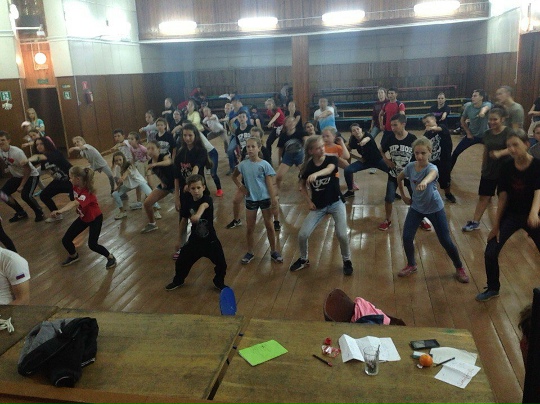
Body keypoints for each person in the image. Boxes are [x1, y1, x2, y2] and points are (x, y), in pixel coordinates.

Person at [476, 130, 540, 302]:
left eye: (515, 145)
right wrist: (496, 225)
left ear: (526, 144)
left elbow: (538, 191)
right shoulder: (506, 167)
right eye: (508, 146)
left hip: (533, 215)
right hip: (511, 215)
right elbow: (503, 196)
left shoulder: (537, 165)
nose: (511, 149)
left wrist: (534, 212)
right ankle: (493, 288)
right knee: (491, 251)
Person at [396, 137, 469, 283]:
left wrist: (424, 181)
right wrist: (403, 195)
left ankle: (459, 267)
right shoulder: (410, 167)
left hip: (434, 208)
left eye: (423, 153)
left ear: (429, 152)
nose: (419, 156)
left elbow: (431, 175)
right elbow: (399, 177)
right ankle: (411, 264)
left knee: (445, 241)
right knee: (407, 237)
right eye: (417, 153)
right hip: (416, 208)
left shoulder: (432, 168)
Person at [290, 136, 353, 275]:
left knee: (342, 234)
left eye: (322, 146)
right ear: (311, 151)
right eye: (318, 148)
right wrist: (309, 201)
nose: (322, 149)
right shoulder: (307, 167)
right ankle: (303, 259)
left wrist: (316, 174)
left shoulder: (331, 159)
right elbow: (301, 186)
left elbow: (330, 169)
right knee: (302, 234)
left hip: (336, 203)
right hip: (319, 206)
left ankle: (347, 260)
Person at [165, 174, 228, 291]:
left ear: (203, 187)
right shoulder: (187, 202)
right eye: (193, 188)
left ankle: (218, 282)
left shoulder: (207, 199)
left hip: (210, 241)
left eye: (198, 188)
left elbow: (203, 206)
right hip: (195, 241)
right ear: (189, 189)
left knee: (222, 264)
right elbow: (183, 221)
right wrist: (179, 239)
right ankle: (178, 280)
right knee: (181, 261)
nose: (196, 191)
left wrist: (197, 215)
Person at [51, 166, 116, 270]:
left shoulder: (87, 193)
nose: (69, 179)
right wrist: (79, 209)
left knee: (93, 245)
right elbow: (76, 200)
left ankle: (110, 257)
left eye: (71, 177)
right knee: (66, 240)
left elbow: (75, 202)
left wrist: (60, 211)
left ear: (77, 179)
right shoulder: (75, 187)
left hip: (95, 219)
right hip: (84, 218)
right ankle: (74, 256)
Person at [232, 137, 283, 264]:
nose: (250, 149)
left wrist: (273, 199)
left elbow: (270, 184)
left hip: (264, 198)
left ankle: (273, 251)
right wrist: (241, 187)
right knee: (250, 227)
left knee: (269, 225)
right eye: (248, 147)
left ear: (259, 148)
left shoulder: (264, 165)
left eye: (253, 146)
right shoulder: (243, 165)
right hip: (251, 199)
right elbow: (234, 176)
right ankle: (250, 252)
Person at [462, 108, 513, 232]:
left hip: (505, 170)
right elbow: (486, 150)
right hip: (490, 169)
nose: (492, 122)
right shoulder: (487, 133)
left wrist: (500, 153)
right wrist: (483, 166)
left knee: (503, 197)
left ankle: (503, 223)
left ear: (502, 119)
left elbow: (514, 148)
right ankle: (475, 222)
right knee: (484, 196)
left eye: (495, 119)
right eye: (490, 119)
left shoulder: (509, 132)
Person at [378, 115, 427, 231]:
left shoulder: (412, 138)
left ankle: (420, 218)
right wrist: (387, 161)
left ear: (403, 124)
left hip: (410, 174)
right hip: (394, 173)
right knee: (389, 197)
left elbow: (419, 153)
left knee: (415, 196)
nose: (393, 128)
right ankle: (387, 219)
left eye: (395, 125)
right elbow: (380, 150)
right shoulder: (389, 137)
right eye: (391, 125)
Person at [173, 124, 209, 257]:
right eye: (185, 135)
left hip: (198, 191)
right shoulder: (180, 152)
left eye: (190, 135)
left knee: (201, 220)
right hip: (184, 192)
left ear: (195, 136)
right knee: (183, 219)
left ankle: (203, 245)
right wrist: (176, 196)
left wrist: (190, 183)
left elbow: (196, 168)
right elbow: (176, 177)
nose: (187, 138)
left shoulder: (201, 151)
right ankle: (181, 246)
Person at [225, 127, 271, 230]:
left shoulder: (264, 152)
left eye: (256, 136)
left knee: (268, 207)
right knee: (236, 200)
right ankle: (236, 220)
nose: (253, 138)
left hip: (261, 185)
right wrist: (241, 186)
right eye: (252, 136)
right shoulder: (245, 152)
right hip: (247, 183)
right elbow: (239, 168)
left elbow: (269, 172)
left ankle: (274, 221)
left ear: (260, 139)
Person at [0, 131, 44, 222]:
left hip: (31, 175)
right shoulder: (0, 151)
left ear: (8, 140)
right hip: (17, 176)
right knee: (2, 194)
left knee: (25, 196)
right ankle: (21, 212)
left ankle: (39, 212)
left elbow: (27, 169)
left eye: (2, 140)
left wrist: (21, 185)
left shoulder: (17, 152)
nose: (0, 142)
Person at [27, 137, 73, 223]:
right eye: (37, 145)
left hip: (71, 180)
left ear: (47, 144)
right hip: (59, 181)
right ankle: (56, 215)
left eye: (41, 144)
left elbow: (44, 157)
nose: (39, 146)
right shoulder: (42, 158)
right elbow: (31, 163)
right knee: (44, 195)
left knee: (76, 200)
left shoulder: (55, 153)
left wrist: (29, 159)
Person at [343, 123, 389, 199]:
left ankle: (392, 192)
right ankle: (350, 191)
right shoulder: (353, 140)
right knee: (347, 170)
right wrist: (358, 158)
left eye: (358, 129)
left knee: (392, 172)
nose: (356, 131)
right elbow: (347, 151)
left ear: (361, 129)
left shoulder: (367, 135)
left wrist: (363, 142)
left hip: (377, 160)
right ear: (352, 133)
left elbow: (367, 139)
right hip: (365, 162)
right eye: (354, 130)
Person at [451, 89, 492, 170]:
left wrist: (482, 113)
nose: (472, 98)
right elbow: (462, 120)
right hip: (472, 135)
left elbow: (485, 108)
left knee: (492, 154)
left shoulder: (487, 104)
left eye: (475, 96)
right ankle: (447, 172)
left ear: (481, 97)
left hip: (485, 136)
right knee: (455, 153)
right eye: (472, 96)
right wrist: (468, 132)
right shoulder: (469, 107)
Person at [422, 113, 456, 203]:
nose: (426, 124)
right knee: (430, 179)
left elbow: (439, 129)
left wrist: (432, 128)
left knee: (445, 180)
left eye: (428, 121)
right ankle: (430, 195)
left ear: (434, 120)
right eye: (425, 123)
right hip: (433, 161)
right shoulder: (427, 134)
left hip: (444, 160)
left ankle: (448, 193)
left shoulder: (442, 127)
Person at [140, 141, 173, 234]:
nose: (150, 150)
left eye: (152, 148)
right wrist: (161, 182)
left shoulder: (163, 156)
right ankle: (152, 224)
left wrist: (155, 164)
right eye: (148, 149)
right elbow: (158, 174)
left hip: (177, 183)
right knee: (147, 203)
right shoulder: (150, 162)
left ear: (158, 149)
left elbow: (168, 162)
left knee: (183, 205)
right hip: (166, 185)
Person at [111, 152, 154, 220]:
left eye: (120, 160)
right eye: (116, 161)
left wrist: (121, 179)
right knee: (115, 194)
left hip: (139, 182)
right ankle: (122, 212)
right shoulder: (117, 168)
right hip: (128, 185)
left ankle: (156, 209)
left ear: (123, 159)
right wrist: (118, 187)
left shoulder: (129, 165)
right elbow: (121, 180)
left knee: (150, 194)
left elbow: (125, 175)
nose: (118, 162)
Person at [265, 98, 286, 163]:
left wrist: (270, 122)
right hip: (276, 127)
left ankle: (284, 158)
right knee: (268, 142)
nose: (268, 106)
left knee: (282, 143)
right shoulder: (268, 111)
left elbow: (276, 116)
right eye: (267, 105)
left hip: (283, 127)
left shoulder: (278, 109)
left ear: (273, 104)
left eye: (270, 104)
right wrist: (272, 123)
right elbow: (272, 118)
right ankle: (268, 157)